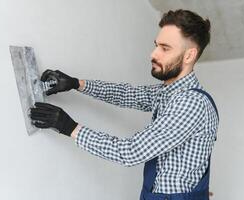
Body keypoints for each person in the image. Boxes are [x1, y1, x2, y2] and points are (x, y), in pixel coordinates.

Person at [30, 9, 219, 200]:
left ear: (189, 56)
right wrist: (76, 83)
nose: (153, 54)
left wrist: (69, 127)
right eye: (156, 46)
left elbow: (131, 152)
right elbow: (127, 95)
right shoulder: (169, 93)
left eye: (165, 48)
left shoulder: (191, 102)